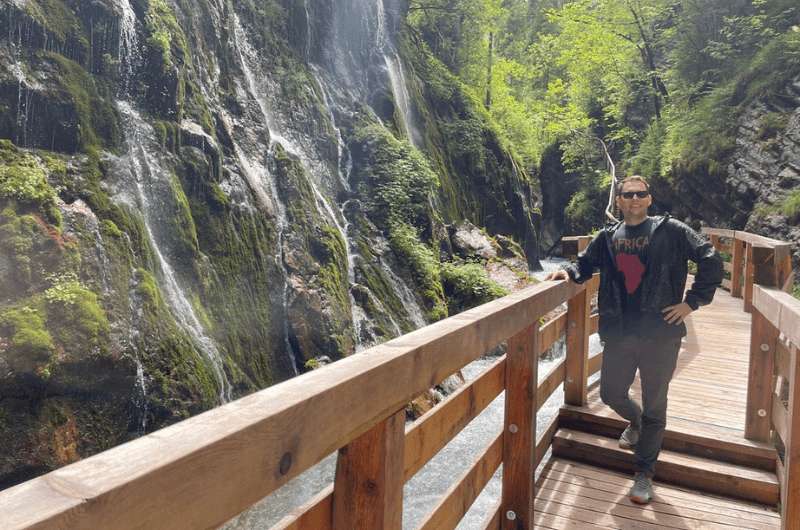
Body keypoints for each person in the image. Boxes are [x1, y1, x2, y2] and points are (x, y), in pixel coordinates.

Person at [546, 175, 722, 504]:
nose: (635, 199)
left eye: (641, 194)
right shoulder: (608, 236)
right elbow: (585, 263)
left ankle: (644, 472)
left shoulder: (673, 231)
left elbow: (711, 259)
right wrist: (568, 272)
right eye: (629, 195)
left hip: (661, 333)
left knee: (656, 403)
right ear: (620, 201)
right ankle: (636, 421)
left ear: (650, 199)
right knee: (612, 392)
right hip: (620, 331)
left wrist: (691, 302)